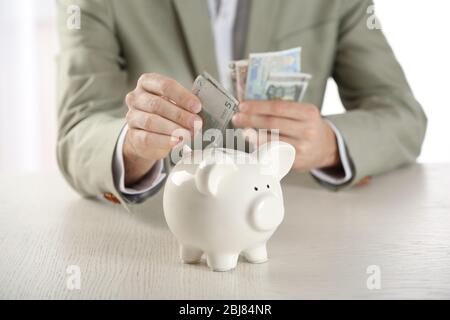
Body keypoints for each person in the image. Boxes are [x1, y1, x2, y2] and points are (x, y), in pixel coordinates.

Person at [56, 0, 427, 210]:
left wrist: (328, 143)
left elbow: (403, 115)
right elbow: (78, 129)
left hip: (292, 217)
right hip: (168, 220)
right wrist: (133, 148)